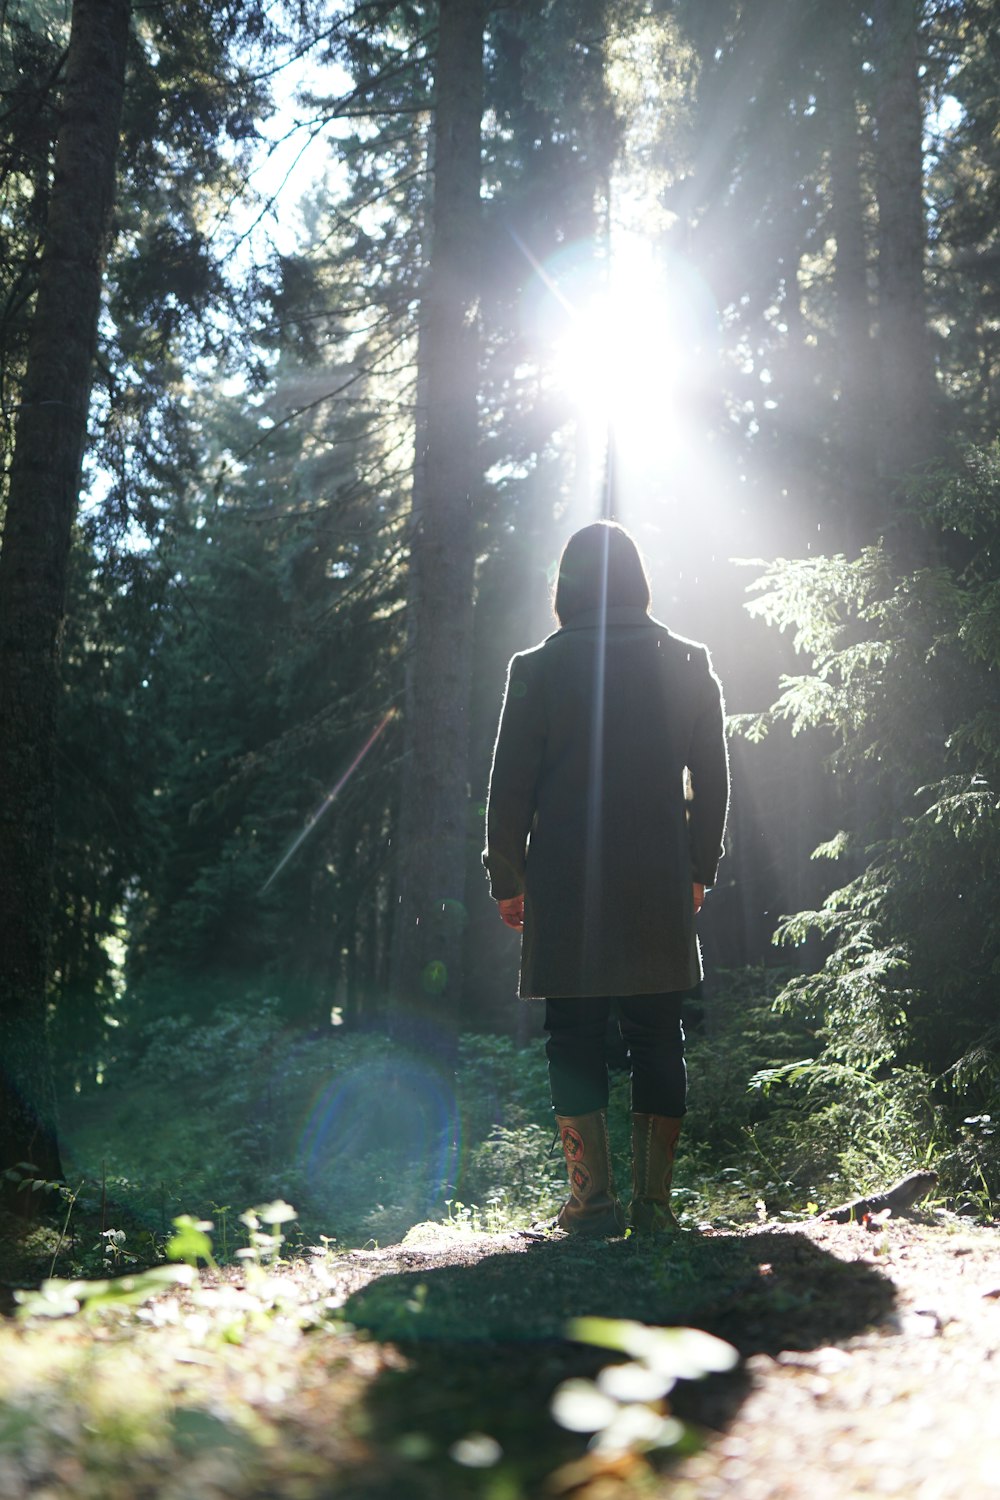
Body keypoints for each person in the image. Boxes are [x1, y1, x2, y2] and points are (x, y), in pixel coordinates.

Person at [483, 521, 729, 1235]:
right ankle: (654, 1208)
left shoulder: (538, 667)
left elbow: (510, 788)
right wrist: (700, 867)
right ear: (639, 580)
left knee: (574, 1034)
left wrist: (508, 878)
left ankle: (590, 1205)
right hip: (659, 878)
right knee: (659, 1034)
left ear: (566, 587)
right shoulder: (688, 660)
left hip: (563, 881)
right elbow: (710, 781)